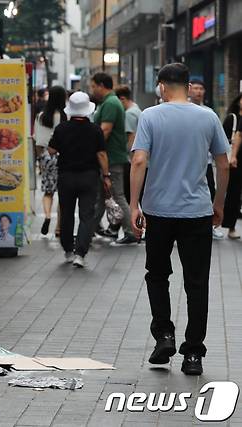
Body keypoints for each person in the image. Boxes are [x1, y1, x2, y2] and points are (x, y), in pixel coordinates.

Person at [130, 63, 229, 376]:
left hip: (158, 211)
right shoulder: (208, 116)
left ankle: (164, 335)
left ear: (161, 85)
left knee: (157, 275)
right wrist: (219, 203)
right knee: (196, 283)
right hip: (197, 212)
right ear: (188, 85)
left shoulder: (150, 116)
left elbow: (139, 160)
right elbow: (224, 165)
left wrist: (134, 204)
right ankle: (193, 354)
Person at [48, 91, 111, 268]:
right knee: (87, 216)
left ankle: (68, 250)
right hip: (89, 177)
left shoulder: (61, 128)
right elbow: (102, 155)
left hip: (66, 177)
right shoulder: (95, 130)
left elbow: (52, 150)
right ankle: (80, 254)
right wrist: (106, 176)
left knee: (67, 214)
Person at [90, 73, 136, 244]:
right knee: (102, 196)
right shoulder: (109, 102)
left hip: (112, 158)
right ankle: (90, 229)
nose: (92, 90)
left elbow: (105, 130)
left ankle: (131, 231)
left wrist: (92, 149)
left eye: (93, 86)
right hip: (109, 157)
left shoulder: (110, 103)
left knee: (117, 195)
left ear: (102, 85)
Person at [189, 79, 223, 241]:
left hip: (206, 162)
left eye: (201, 88)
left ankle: (212, 225)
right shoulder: (184, 110)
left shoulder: (209, 112)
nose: (198, 91)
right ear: (189, 89)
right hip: (189, 162)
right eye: (195, 88)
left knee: (210, 190)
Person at [34, 86, 67, 237]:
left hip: (46, 156)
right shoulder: (65, 116)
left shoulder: (41, 116)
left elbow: (38, 140)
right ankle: (59, 227)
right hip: (63, 156)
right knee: (62, 194)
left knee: (48, 192)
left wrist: (40, 159)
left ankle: (47, 216)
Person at [115, 85, 143, 205]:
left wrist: (130, 159)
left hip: (132, 158)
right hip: (142, 156)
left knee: (128, 196)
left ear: (122, 99)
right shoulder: (137, 109)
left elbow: (131, 137)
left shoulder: (129, 114)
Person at [221, 95, 242, 239]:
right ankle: (231, 226)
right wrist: (232, 156)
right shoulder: (232, 118)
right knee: (234, 193)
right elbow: (227, 138)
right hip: (236, 161)